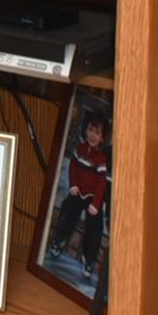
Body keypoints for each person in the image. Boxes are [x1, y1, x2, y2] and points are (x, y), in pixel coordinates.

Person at [49, 114, 111, 271]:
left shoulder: (101, 159)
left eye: (97, 133)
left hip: (92, 197)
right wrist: (73, 184)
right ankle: (60, 240)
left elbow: (102, 183)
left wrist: (96, 204)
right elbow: (73, 168)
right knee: (68, 207)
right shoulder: (79, 149)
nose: (92, 135)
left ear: (102, 138)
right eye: (90, 130)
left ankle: (89, 258)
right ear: (85, 130)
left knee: (95, 223)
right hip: (78, 190)